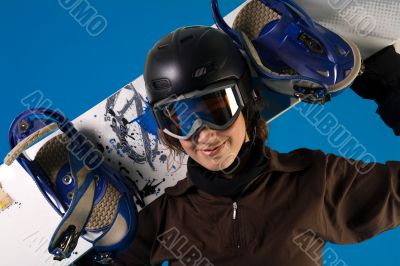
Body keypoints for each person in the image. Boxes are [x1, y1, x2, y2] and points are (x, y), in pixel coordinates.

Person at [116, 26, 400, 266]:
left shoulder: (314, 181)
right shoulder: (161, 214)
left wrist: (387, 82)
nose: (203, 135)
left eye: (216, 110)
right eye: (183, 121)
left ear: (246, 101)